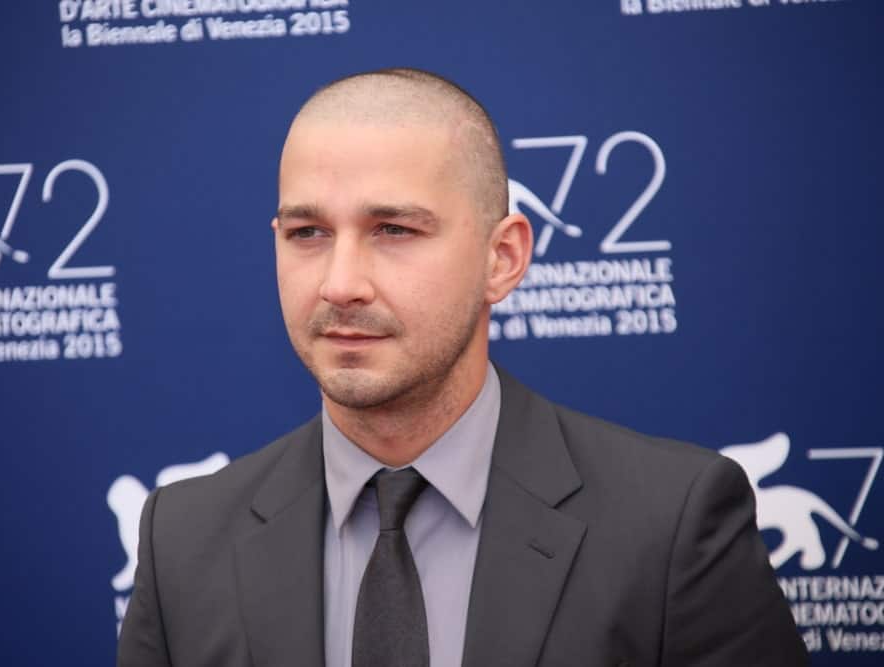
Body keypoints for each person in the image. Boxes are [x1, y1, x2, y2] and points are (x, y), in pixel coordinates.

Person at [117, 68, 808, 667]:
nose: (339, 282)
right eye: (308, 233)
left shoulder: (671, 525)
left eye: (393, 230)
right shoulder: (182, 539)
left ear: (501, 258)